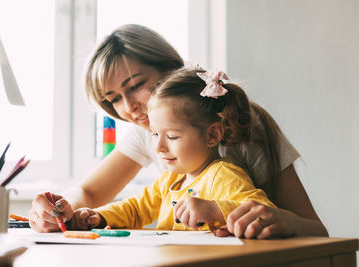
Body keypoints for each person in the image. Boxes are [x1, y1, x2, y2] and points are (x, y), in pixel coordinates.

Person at [28, 24, 328, 238]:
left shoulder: (244, 126)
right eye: (114, 99)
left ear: (172, 69)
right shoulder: (149, 131)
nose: (130, 107)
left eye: (135, 86)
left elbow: (316, 230)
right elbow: (92, 192)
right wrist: (58, 209)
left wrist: (280, 220)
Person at [66, 68, 275, 231]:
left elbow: (264, 212)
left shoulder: (223, 176)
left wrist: (216, 211)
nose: (158, 147)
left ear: (212, 135)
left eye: (172, 137)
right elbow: (135, 209)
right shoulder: (169, 181)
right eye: (155, 134)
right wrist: (100, 216)